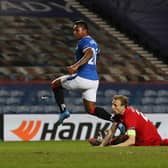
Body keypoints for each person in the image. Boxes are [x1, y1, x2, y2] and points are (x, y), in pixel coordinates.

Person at [51, 20, 113, 125]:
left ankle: (63, 111)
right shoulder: (94, 43)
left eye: (77, 30)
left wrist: (76, 65)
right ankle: (116, 121)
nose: (74, 32)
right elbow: (93, 54)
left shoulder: (84, 41)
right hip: (93, 81)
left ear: (85, 30)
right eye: (74, 30)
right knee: (91, 110)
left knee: (55, 84)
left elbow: (89, 53)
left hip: (83, 78)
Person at [92, 95, 168, 147]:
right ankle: (106, 141)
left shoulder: (129, 116)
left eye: (115, 105)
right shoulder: (119, 114)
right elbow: (112, 131)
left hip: (148, 141)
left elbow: (131, 141)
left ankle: (109, 141)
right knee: (121, 138)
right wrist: (101, 146)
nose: (112, 107)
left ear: (123, 106)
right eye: (112, 104)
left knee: (123, 139)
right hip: (146, 138)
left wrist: (114, 147)